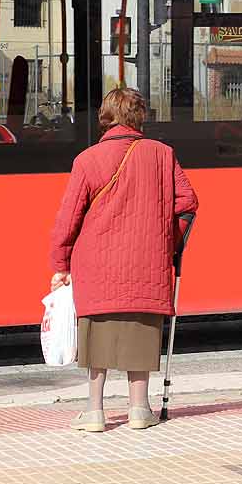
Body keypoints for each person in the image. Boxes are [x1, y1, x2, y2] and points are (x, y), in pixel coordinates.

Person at [48, 88, 198, 433]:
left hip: (97, 265)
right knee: (139, 335)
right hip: (147, 264)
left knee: (97, 337)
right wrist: (168, 242)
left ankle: (94, 411)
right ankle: (139, 409)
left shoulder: (87, 160)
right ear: (139, 116)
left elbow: (67, 219)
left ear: (105, 118)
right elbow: (187, 202)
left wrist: (60, 264)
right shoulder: (163, 154)